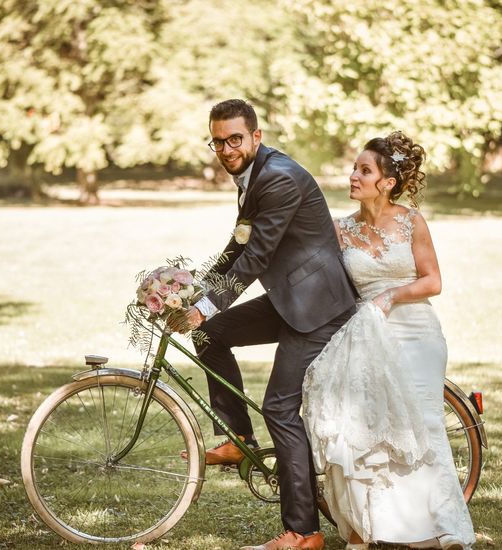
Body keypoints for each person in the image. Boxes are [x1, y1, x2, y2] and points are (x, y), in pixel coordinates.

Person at [180, 99, 357, 550]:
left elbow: (256, 257)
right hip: (289, 298)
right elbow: (236, 244)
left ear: (255, 137)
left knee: (279, 408)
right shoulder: (252, 175)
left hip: (317, 307)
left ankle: (304, 533)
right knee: (209, 334)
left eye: (234, 139)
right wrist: (192, 294)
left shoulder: (278, 177)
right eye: (217, 141)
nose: (225, 148)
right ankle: (237, 436)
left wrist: (206, 304)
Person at [303, 131, 475, 549]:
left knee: (423, 425)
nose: (353, 176)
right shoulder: (340, 230)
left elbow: (433, 281)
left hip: (416, 331)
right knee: (365, 428)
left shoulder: (411, 221)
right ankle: (374, 527)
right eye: (354, 168)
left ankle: (436, 526)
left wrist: (391, 295)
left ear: (388, 182)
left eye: (364, 170)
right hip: (368, 335)